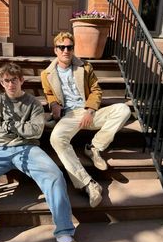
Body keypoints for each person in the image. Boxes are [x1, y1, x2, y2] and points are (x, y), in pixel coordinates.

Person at [0, 63, 81, 242]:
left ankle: (64, 233)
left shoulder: (33, 104)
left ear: (21, 80)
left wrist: (9, 127)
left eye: (14, 80)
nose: (10, 84)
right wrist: (20, 130)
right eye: (6, 80)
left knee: (55, 176)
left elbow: (36, 132)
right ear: (1, 82)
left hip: (28, 149)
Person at [41, 32, 131, 208]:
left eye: (69, 47)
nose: (66, 50)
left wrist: (90, 110)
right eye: (62, 47)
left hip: (89, 111)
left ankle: (94, 147)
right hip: (70, 115)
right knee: (56, 138)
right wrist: (54, 106)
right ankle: (88, 184)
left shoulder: (85, 67)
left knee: (124, 109)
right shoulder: (47, 74)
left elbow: (96, 91)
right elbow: (49, 94)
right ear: (55, 50)